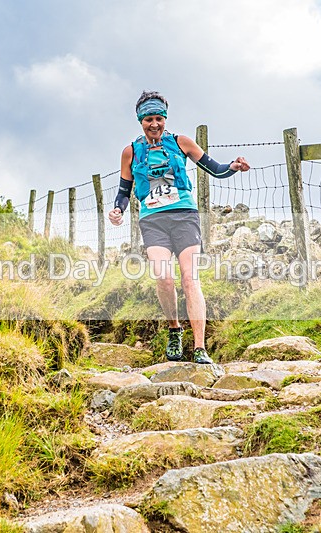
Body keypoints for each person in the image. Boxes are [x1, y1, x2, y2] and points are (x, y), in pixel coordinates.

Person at [108, 91, 250, 364]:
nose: (154, 124)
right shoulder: (131, 152)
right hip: (153, 220)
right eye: (149, 119)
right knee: (163, 277)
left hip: (184, 216)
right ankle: (174, 328)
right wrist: (118, 210)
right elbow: (124, 191)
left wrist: (233, 166)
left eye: (159, 118)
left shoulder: (181, 142)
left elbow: (215, 169)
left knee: (190, 278)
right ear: (140, 121)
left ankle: (199, 348)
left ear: (165, 119)